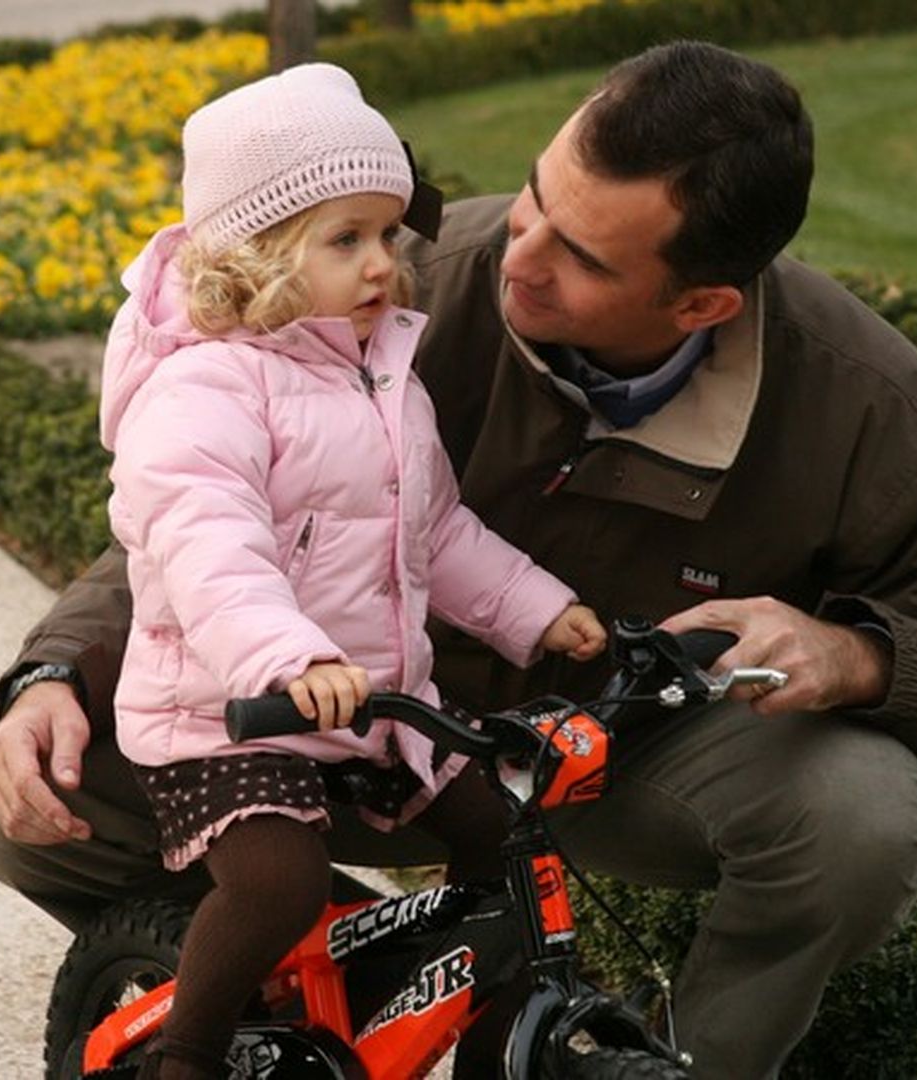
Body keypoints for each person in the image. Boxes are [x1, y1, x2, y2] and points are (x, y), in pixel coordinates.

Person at [0, 41, 917, 1079]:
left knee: (862, 819)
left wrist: (860, 655)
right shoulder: (402, 280)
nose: (515, 259)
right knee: (6, 797)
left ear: (702, 304)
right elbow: (201, 516)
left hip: (613, 759)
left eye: (578, 255)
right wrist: (51, 672)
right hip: (347, 721)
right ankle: (297, 1006)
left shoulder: (875, 415)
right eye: (537, 195)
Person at [66, 63, 607, 1079]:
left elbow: (436, 532)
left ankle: (496, 1049)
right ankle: (189, 1056)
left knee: (507, 833)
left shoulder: (381, 374)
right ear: (260, 255)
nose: (381, 265)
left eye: (388, 236)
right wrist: (287, 658)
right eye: (345, 239)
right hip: (231, 715)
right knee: (280, 883)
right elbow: (210, 551)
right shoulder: (205, 391)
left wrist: (542, 612)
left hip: (373, 707)